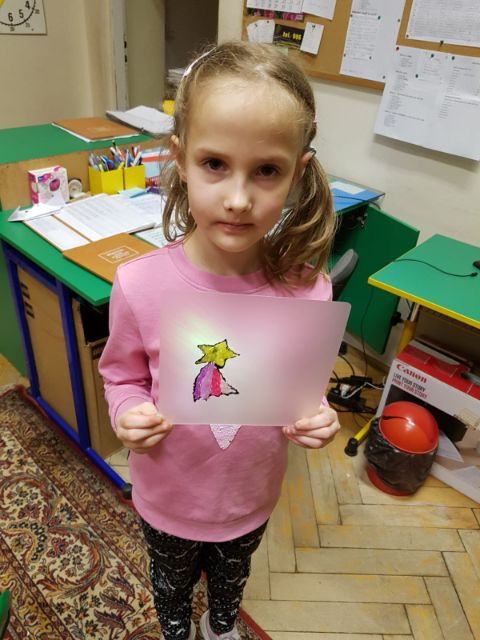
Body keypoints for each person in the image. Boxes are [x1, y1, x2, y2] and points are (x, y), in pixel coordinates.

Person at [99, 40, 340, 640]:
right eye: (214, 164)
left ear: (298, 171)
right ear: (179, 159)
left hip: (249, 499)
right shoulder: (139, 284)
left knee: (232, 579)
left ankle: (221, 625)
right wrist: (127, 410)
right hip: (168, 497)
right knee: (170, 584)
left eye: (266, 170)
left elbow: (300, 391)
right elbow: (122, 374)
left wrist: (315, 416)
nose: (237, 198)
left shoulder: (309, 292)